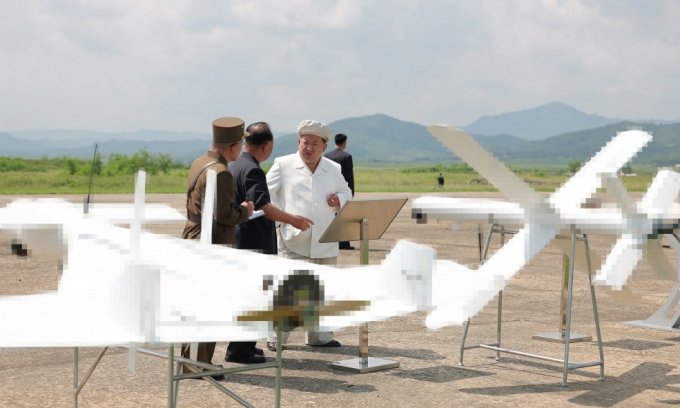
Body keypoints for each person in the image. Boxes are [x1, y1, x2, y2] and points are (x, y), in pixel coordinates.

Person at [225, 121, 313, 363]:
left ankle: (244, 346)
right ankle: (240, 351)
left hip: (239, 239)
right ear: (265, 146)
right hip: (254, 241)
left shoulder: (234, 165)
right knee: (255, 297)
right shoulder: (253, 170)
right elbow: (263, 206)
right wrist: (293, 219)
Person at [265, 119, 353, 351]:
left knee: (322, 290)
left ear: (324, 146)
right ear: (299, 143)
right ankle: (276, 337)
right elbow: (264, 194)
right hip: (294, 238)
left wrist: (339, 200)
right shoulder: (283, 164)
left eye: (315, 144)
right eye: (305, 142)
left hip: (326, 237)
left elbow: (347, 192)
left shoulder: (333, 168)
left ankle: (318, 336)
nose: (309, 148)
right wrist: (281, 220)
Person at [181, 116, 254, 379]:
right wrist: (245, 210)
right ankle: (201, 365)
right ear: (233, 146)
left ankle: (190, 361)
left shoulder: (200, 162)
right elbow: (225, 215)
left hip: (193, 235)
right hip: (211, 240)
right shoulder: (221, 172)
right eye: (240, 145)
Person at [325, 133, 355, 250]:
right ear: (344, 143)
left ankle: (331, 239)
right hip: (342, 190)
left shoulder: (327, 156)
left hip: (329, 190)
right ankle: (343, 243)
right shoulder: (346, 156)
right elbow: (349, 177)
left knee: (330, 216)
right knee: (344, 217)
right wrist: (350, 193)